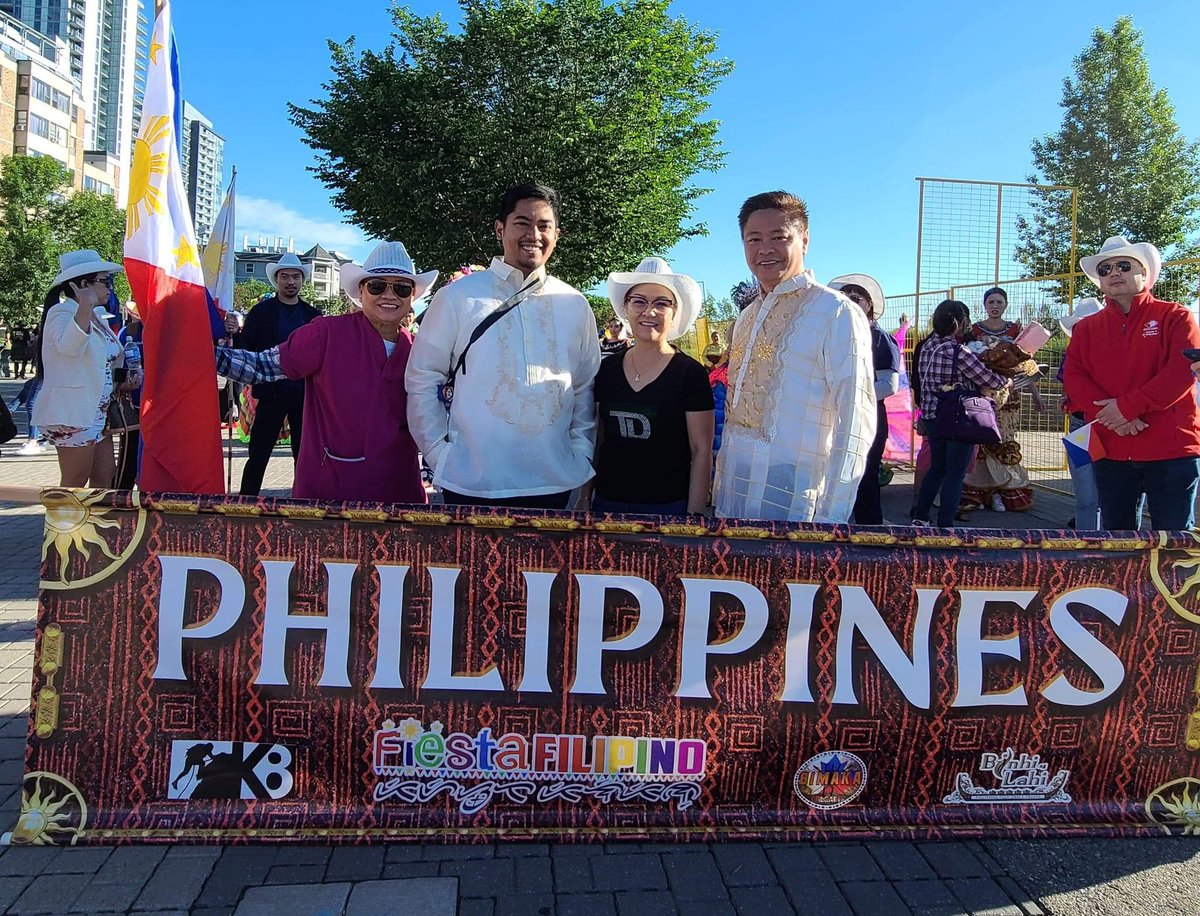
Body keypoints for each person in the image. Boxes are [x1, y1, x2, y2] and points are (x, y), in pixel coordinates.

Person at [406, 183, 601, 510]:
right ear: (500, 229)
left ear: (557, 233)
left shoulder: (575, 303)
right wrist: (441, 454)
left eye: (544, 225)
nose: (533, 234)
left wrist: (579, 453)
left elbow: (584, 386)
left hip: (554, 479)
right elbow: (423, 378)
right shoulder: (458, 297)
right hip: (472, 480)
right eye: (522, 223)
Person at [215, 241, 434, 504]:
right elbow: (262, 366)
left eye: (400, 287)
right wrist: (201, 355)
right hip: (330, 498)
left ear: (412, 297)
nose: (389, 295)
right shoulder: (326, 333)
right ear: (361, 292)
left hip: (401, 496)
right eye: (377, 286)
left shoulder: (420, 350)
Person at [714, 191, 875, 523]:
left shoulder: (835, 311)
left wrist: (833, 518)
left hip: (794, 501)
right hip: (734, 493)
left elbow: (856, 418)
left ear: (804, 240)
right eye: (753, 239)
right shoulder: (745, 318)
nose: (765, 249)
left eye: (779, 237)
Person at [1063, 236, 1200, 530]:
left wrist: (1125, 410)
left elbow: (1181, 370)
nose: (1114, 273)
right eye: (1105, 269)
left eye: (1124, 265)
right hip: (1111, 450)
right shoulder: (1086, 328)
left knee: (1173, 546)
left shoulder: (1176, 316)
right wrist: (1115, 416)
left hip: (1171, 450)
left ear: (1144, 273)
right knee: (1118, 545)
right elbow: (1074, 377)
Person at [584, 257, 714, 515]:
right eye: (639, 301)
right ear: (625, 307)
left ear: (674, 312)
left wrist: (695, 516)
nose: (649, 312)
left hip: (670, 510)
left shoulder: (691, 374)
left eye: (661, 303)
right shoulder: (605, 370)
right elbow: (597, 439)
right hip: (607, 508)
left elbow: (701, 450)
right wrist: (584, 498)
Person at [31, 250, 136, 487]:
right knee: (74, 483)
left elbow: (103, 361)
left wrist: (122, 381)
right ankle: (63, 525)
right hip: (73, 414)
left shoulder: (97, 316)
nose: (110, 288)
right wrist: (85, 307)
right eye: (105, 281)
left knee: (105, 479)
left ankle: (95, 525)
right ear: (82, 284)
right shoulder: (61, 312)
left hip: (97, 414)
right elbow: (70, 347)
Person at [910, 300, 1010, 528]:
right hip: (957, 420)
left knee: (936, 468)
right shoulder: (958, 351)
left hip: (931, 416)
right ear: (961, 322)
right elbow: (990, 380)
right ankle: (945, 524)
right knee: (955, 474)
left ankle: (920, 517)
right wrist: (1008, 381)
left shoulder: (926, 346)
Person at [235, 251, 321, 496]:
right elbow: (246, 348)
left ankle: (303, 499)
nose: (291, 281)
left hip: (303, 393)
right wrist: (233, 333)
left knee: (304, 452)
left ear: (302, 280)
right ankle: (246, 499)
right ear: (277, 280)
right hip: (271, 392)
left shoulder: (314, 317)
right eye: (285, 276)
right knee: (259, 452)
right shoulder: (261, 312)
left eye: (295, 276)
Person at [830, 273, 901, 525]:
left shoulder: (880, 339)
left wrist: (852, 394)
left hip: (868, 417)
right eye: (844, 296)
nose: (848, 301)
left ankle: (871, 531)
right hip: (838, 416)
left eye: (855, 297)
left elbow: (888, 386)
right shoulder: (839, 336)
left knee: (865, 473)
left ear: (869, 304)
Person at [959, 287, 1036, 514]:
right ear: (984, 305)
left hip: (1010, 395)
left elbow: (1025, 366)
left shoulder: (1015, 330)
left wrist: (1036, 395)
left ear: (1006, 304)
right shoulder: (973, 331)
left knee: (1004, 440)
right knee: (981, 441)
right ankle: (980, 494)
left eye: (999, 302)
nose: (995, 305)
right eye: (991, 301)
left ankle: (1003, 493)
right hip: (982, 394)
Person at [1058, 298, 1104, 530]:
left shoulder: (1075, 353)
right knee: (1091, 498)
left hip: (1092, 426)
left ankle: (1095, 547)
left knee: (1093, 497)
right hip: (1085, 427)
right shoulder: (1073, 354)